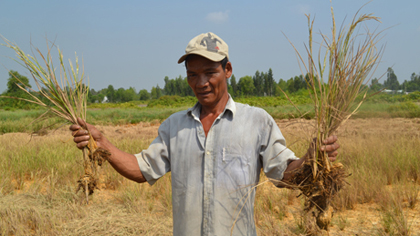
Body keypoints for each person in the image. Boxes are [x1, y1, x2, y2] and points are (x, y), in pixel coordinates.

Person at [70, 32, 339, 236]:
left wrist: (312, 158)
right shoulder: (174, 127)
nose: (201, 83)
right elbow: (141, 170)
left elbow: (285, 175)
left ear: (228, 70)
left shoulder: (256, 121)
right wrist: (101, 142)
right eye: (192, 75)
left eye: (210, 72)